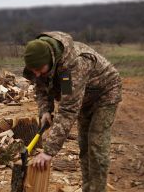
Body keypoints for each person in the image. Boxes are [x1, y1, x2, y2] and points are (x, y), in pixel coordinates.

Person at [23, 31, 122, 192]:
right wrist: (45, 110)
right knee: (84, 146)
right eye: (33, 70)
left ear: (52, 60)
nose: (37, 74)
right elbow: (41, 87)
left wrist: (49, 152)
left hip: (105, 94)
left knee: (96, 145)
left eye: (40, 69)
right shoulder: (40, 61)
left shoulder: (72, 66)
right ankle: (88, 188)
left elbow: (68, 109)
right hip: (84, 96)